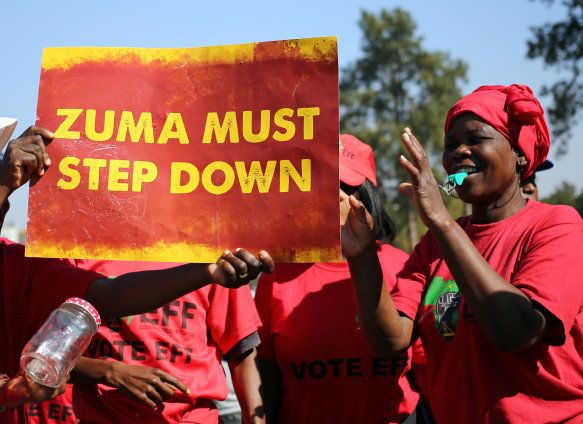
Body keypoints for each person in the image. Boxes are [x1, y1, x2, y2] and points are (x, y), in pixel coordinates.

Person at [343, 85, 583, 422]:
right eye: (451, 145)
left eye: (476, 138)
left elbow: (517, 331)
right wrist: (362, 254)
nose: (459, 152)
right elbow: (392, 339)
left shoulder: (556, 226)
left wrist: (441, 220)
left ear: (520, 155)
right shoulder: (432, 246)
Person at [0, 126, 274, 423]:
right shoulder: (75, 252)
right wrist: (110, 373)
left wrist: (206, 271)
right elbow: (49, 353)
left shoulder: (206, 252)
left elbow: (242, 348)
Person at [255, 134, 420, 423]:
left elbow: (425, 370)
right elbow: (266, 377)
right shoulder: (277, 276)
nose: (335, 198)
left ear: (367, 195)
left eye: (346, 186)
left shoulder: (402, 266)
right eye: (323, 185)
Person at [68, 259, 264, 424]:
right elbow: (45, 355)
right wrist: (110, 373)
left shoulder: (210, 251)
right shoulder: (83, 246)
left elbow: (242, 349)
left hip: (192, 418)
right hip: (104, 417)